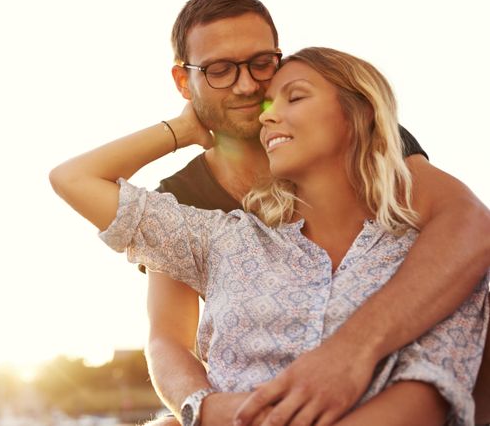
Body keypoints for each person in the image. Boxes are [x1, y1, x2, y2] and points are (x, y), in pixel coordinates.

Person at [49, 46, 488, 426]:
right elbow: (74, 178)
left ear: (360, 114)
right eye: (268, 106)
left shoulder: (430, 257)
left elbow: (425, 398)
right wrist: (184, 130)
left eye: (294, 97)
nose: (268, 114)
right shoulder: (225, 239)